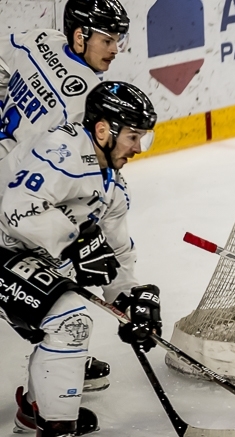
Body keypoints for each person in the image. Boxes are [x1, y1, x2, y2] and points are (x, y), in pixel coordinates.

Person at [0, 81, 160, 437]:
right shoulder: (62, 152)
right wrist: (75, 241)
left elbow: (115, 252)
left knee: (65, 297)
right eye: (133, 136)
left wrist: (130, 300)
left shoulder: (111, 182)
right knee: (69, 318)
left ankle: (36, 408)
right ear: (103, 130)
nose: (138, 148)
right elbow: (16, 212)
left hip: (20, 250)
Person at [0, 0, 131, 398]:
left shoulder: (39, 39)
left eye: (119, 40)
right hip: (16, 191)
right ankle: (60, 351)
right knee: (66, 243)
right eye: (107, 39)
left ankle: (60, 353)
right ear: (79, 36)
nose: (115, 49)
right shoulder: (86, 103)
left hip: (14, 173)